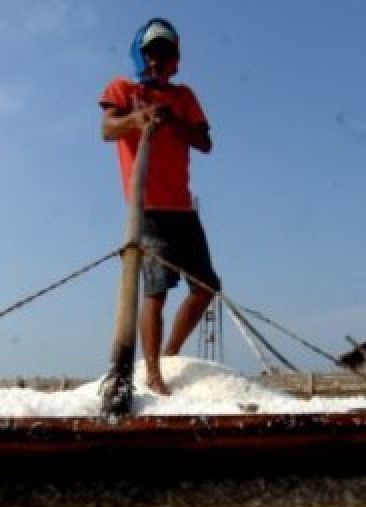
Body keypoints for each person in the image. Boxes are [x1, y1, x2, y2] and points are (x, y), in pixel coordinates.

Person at [99, 18, 221, 396]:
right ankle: (152, 373)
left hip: (182, 209)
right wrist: (139, 118)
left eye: (166, 52)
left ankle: (168, 355)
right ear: (142, 54)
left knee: (206, 287)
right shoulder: (123, 87)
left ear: (175, 60)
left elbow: (204, 143)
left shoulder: (183, 96)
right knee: (155, 291)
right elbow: (107, 129)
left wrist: (171, 122)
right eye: (153, 51)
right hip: (146, 209)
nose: (158, 58)